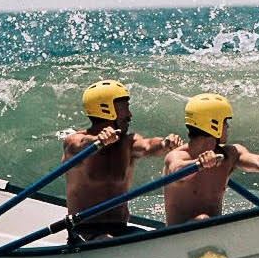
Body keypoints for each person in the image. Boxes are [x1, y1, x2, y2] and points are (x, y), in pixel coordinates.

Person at [62, 80, 184, 240]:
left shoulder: (128, 142)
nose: (130, 115)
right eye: (125, 108)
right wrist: (97, 141)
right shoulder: (75, 141)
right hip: (84, 231)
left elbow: (148, 145)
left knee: (156, 240)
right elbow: (78, 145)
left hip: (120, 229)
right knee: (106, 241)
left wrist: (165, 143)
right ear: (106, 110)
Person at [163, 93, 259, 226]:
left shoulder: (231, 154)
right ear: (213, 125)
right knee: (203, 219)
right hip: (179, 238)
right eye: (225, 122)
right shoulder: (177, 156)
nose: (228, 127)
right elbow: (176, 171)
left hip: (215, 234)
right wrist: (199, 164)